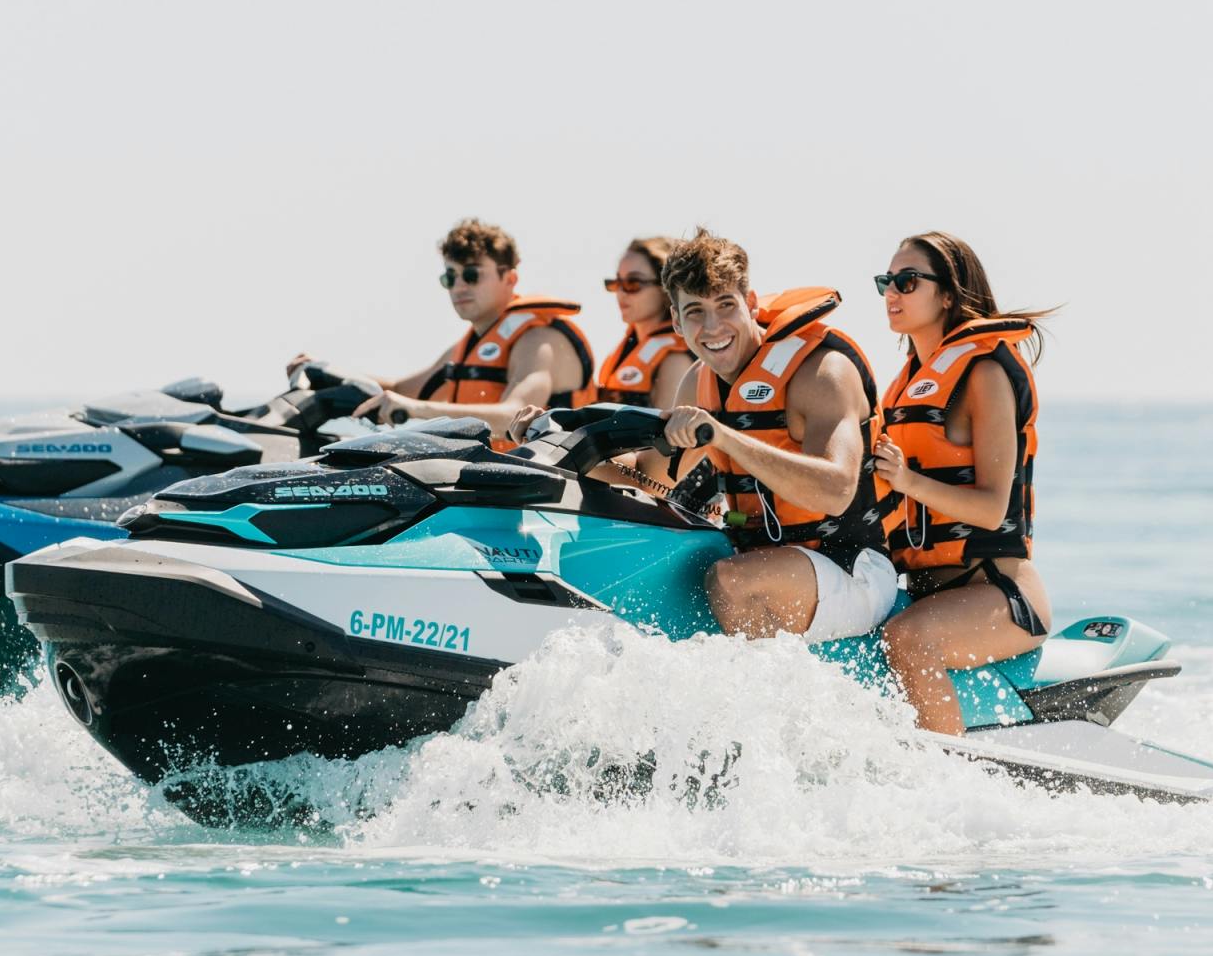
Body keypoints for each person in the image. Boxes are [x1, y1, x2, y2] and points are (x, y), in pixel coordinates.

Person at [649, 228, 897, 643]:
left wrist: (725, 438)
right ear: (676, 321)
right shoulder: (698, 382)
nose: (712, 327)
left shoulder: (822, 372)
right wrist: (547, 436)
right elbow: (652, 478)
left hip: (852, 570)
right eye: (694, 312)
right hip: (772, 566)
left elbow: (835, 490)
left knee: (729, 580)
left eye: (725, 305)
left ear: (749, 303)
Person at [869, 232, 1053, 735]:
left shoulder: (983, 372)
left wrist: (906, 480)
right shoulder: (908, 383)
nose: (892, 292)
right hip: (927, 589)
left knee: (906, 639)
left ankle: (941, 780)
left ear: (948, 294)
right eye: (886, 281)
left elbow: (993, 509)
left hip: (1000, 594)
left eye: (907, 281)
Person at [347, 219, 593, 448]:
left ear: (509, 278)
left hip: (550, 488)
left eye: (472, 275)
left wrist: (415, 409)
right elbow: (398, 391)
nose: (459, 286)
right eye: (450, 277)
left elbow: (514, 415)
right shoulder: (465, 348)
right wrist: (326, 374)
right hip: (489, 483)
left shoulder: (539, 340)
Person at [593, 236, 693, 409]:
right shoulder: (627, 348)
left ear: (666, 288)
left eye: (633, 283)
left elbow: (666, 433)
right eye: (617, 282)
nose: (621, 293)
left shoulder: (676, 358)